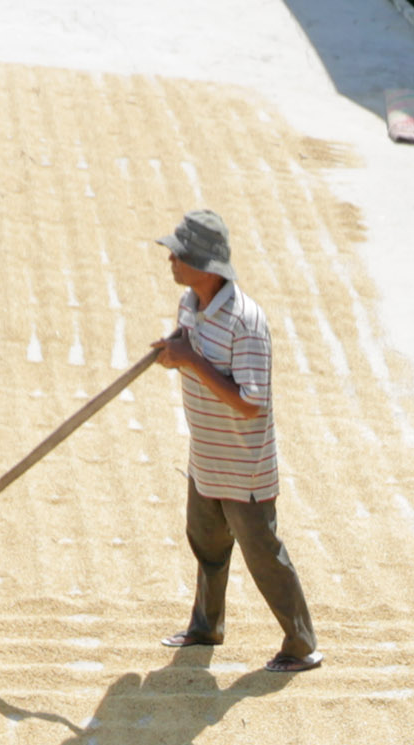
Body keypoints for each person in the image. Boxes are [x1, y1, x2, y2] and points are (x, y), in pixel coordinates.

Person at [149, 208, 322, 672]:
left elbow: (251, 404)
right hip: (205, 456)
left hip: (243, 466)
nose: (170, 259)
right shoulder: (190, 303)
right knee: (205, 544)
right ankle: (206, 627)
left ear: (205, 266)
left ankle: (301, 644)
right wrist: (171, 353)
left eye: (178, 254)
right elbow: (187, 345)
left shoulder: (246, 323)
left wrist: (191, 360)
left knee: (263, 554)